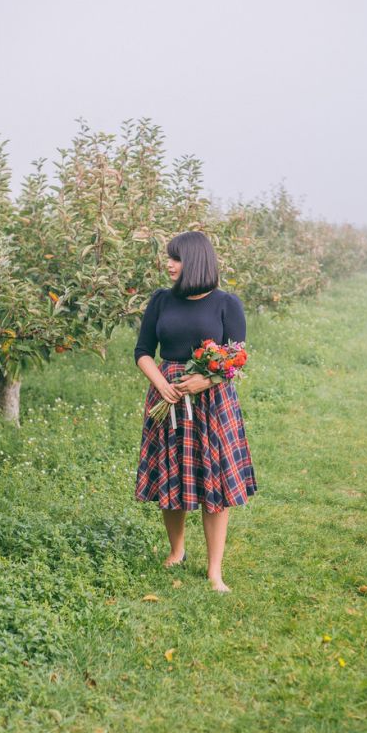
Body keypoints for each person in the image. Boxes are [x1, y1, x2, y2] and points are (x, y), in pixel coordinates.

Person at [134, 230, 257, 592]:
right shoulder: (160, 301)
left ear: (196, 262)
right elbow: (143, 350)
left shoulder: (226, 303)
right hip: (167, 396)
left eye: (176, 258)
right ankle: (177, 551)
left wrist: (207, 380)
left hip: (211, 401)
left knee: (213, 481)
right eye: (169, 258)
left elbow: (237, 354)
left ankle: (214, 569)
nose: (168, 264)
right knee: (171, 474)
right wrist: (161, 383)